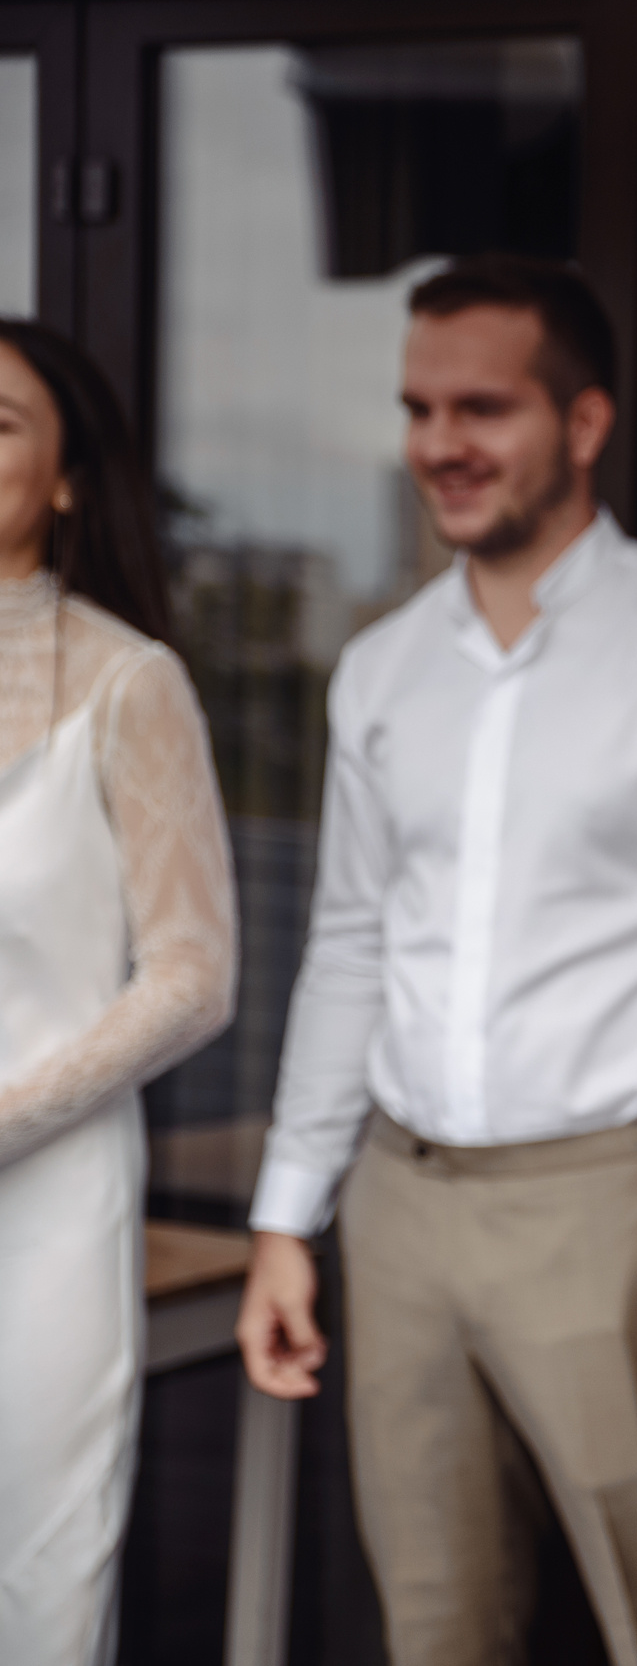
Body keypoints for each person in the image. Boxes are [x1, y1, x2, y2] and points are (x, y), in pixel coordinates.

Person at [232, 255, 637, 1666]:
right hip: (405, 1204)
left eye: (483, 407)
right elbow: (350, 943)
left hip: (618, 1204)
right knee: (434, 1626)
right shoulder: (379, 669)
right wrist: (284, 1216)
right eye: (420, 408)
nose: (442, 443)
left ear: (585, 421)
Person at [0, 322, 236, 1665]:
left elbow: (195, 975)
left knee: (37, 1582)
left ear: (72, 477)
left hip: (41, 1216)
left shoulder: (130, 680)